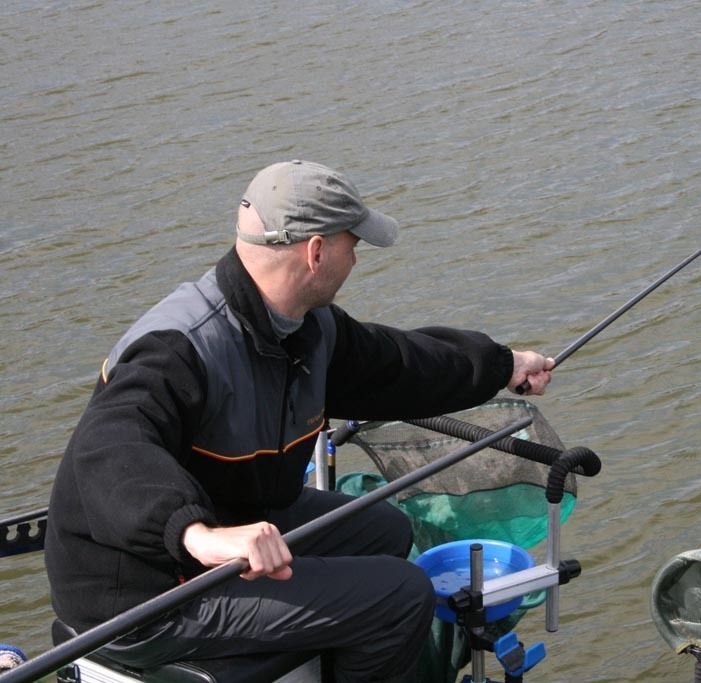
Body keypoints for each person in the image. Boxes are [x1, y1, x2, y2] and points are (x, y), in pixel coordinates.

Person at [44, 160, 555, 682]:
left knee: (385, 528)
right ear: (316, 252)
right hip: (144, 594)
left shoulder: (305, 329)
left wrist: (502, 364)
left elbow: (398, 364)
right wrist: (198, 534)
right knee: (401, 594)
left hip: (232, 518)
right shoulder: (181, 345)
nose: (357, 258)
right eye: (352, 243)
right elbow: (110, 448)